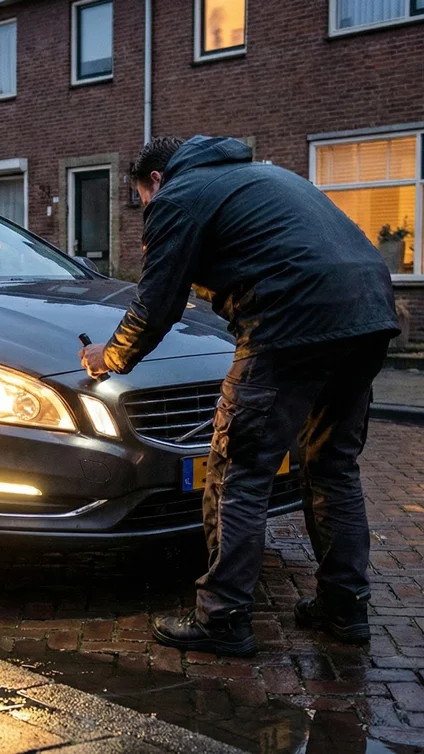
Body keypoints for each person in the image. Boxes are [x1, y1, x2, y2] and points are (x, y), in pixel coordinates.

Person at [80, 136, 400, 657]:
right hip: (369, 315)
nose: (146, 210)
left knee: (236, 469)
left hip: (291, 321)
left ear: (155, 180)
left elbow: (156, 304)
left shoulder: (179, 197)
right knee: (333, 465)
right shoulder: (267, 176)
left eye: (141, 199)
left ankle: (223, 617)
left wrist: (109, 359)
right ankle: (345, 605)